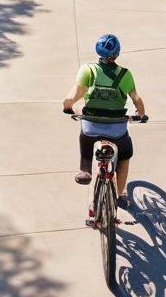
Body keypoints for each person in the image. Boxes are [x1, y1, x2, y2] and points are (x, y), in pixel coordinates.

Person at [63, 34, 147, 204]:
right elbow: (136, 99)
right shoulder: (125, 74)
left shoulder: (88, 70)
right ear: (117, 54)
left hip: (91, 126)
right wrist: (141, 114)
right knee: (124, 156)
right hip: (117, 128)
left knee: (85, 138)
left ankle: (85, 171)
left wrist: (68, 106)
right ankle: (120, 195)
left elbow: (73, 95)